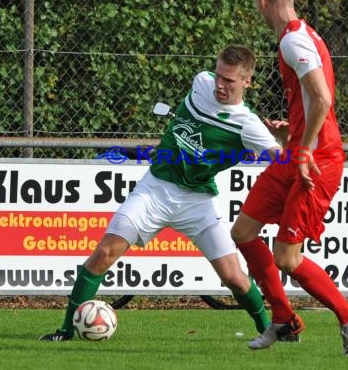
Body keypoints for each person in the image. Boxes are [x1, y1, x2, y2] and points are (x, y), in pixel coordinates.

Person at [40, 44, 284, 341]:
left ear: (247, 81)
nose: (220, 84)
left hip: (197, 200)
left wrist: (284, 140)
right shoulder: (202, 82)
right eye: (219, 75)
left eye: (229, 80)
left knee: (234, 277)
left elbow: (280, 157)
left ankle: (270, 330)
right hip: (155, 188)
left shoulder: (248, 125)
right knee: (103, 253)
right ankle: (65, 330)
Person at [230, 0, 348, 354]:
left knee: (287, 257)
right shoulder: (304, 36)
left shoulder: (293, 42)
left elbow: (323, 99)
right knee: (243, 231)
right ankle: (284, 318)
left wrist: (305, 147)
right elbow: (314, 103)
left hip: (317, 158)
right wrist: (292, 133)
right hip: (298, 151)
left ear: (262, 2)